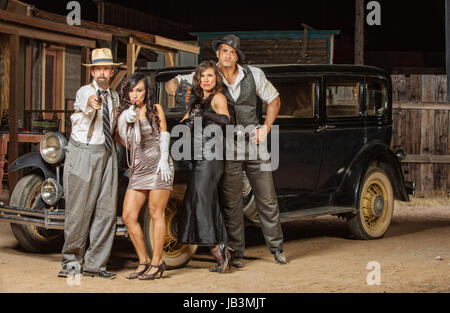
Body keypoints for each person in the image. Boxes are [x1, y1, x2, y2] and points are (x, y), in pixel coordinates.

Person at [166, 34, 287, 267]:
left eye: (232, 52)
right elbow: (174, 82)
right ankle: (237, 252)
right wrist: (176, 90)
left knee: (267, 198)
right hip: (227, 145)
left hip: (255, 142)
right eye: (224, 51)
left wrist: (266, 128)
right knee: (232, 201)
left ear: (237, 55)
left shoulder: (254, 74)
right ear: (218, 54)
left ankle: (277, 248)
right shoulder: (208, 74)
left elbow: (274, 100)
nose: (228, 55)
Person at [58, 48, 121, 279]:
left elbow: (115, 128)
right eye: (98, 68)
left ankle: (96, 264)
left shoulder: (114, 96)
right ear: (92, 71)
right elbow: (88, 102)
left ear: (112, 71)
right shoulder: (86, 91)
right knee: (79, 210)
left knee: (106, 210)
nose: (102, 73)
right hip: (83, 153)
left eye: (106, 68)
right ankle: (70, 262)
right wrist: (93, 103)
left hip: (107, 153)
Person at [117, 72, 174, 280]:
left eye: (139, 90)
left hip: (159, 165)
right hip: (139, 168)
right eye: (131, 90)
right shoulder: (123, 113)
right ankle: (144, 261)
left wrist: (163, 158)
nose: (135, 94)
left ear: (145, 92)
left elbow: (165, 133)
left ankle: (158, 262)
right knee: (128, 216)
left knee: (155, 212)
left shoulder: (154, 109)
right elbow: (120, 137)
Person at [176, 60, 232, 273]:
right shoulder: (197, 102)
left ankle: (219, 253)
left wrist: (204, 115)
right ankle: (224, 256)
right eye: (202, 77)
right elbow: (181, 125)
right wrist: (189, 120)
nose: (206, 80)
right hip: (198, 157)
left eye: (210, 76)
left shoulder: (218, 98)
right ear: (197, 80)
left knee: (202, 202)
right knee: (202, 202)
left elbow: (226, 121)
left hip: (212, 157)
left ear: (216, 78)